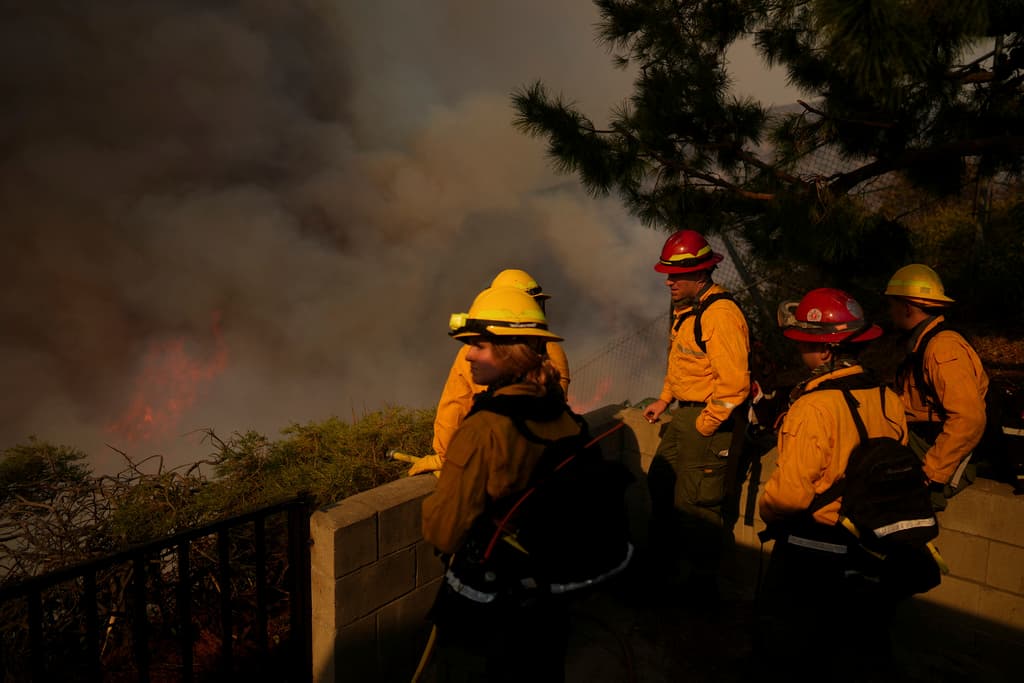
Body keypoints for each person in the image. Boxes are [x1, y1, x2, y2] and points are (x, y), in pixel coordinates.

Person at [419, 285, 582, 682]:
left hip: (488, 603)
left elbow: (443, 531)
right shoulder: (564, 418)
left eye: (480, 345)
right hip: (547, 597)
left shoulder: (484, 429)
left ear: (511, 352)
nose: (468, 355)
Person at [757, 288, 908, 680]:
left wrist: (766, 510)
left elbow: (789, 496)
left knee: (790, 649)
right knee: (852, 648)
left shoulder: (813, 407)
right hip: (868, 546)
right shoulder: (888, 397)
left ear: (826, 351)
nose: (798, 350)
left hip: (812, 549)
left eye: (804, 343)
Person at [641, 229, 750, 595]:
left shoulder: (720, 315)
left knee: (696, 505)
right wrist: (664, 399)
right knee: (661, 480)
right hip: (684, 414)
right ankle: (665, 565)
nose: (668, 281)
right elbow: (684, 363)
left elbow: (734, 383)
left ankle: (701, 586)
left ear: (701, 273)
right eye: (667, 274)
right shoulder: (688, 309)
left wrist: (707, 423)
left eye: (676, 274)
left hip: (707, 420)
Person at [410, 269, 571, 476]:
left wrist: (444, 457)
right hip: (548, 459)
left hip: (495, 465)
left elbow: (454, 410)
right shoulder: (553, 350)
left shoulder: (474, 355)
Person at [885, 264, 989, 510]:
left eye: (892, 304)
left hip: (946, 455)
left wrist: (929, 473)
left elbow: (968, 419)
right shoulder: (923, 343)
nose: (889, 311)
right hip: (925, 439)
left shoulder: (943, 348)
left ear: (907, 307)